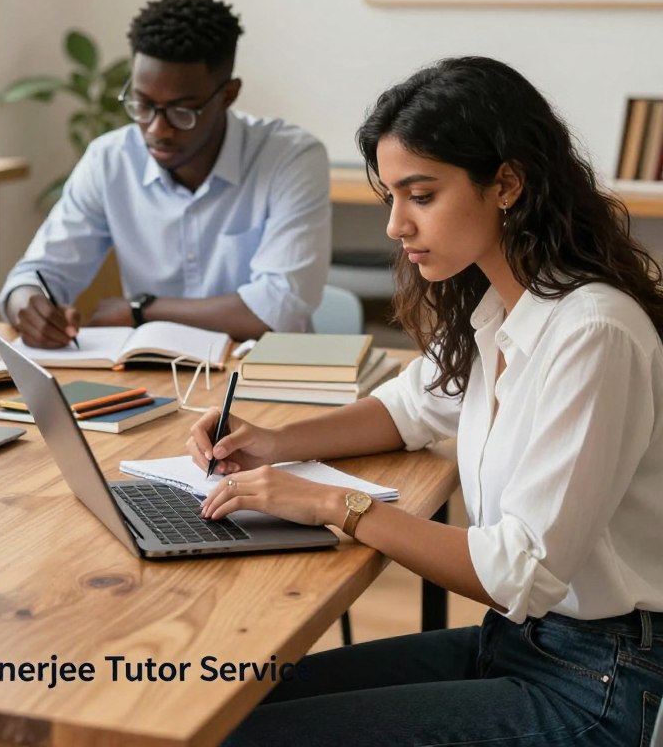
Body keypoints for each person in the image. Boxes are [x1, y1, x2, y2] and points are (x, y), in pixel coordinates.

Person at [187, 57, 663, 746]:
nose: (395, 226)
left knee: (252, 738)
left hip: (601, 686)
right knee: (228, 710)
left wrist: (330, 505)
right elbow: (409, 408)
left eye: (421, 195)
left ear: (507, 183)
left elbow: (518, 571)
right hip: (522, 645)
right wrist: (273, 442)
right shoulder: (501, 306)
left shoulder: (593, 333)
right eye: (389, 198)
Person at [0, 0, 331, 348]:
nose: (157, 129)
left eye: (181, 112)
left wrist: (142, 310)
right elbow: (34, 276)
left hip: (265, 378)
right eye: (142, 105)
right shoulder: (110, 160)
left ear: (228, 95)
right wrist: (30, 306)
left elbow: (279, 309)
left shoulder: (290, 158)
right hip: (148, 374)